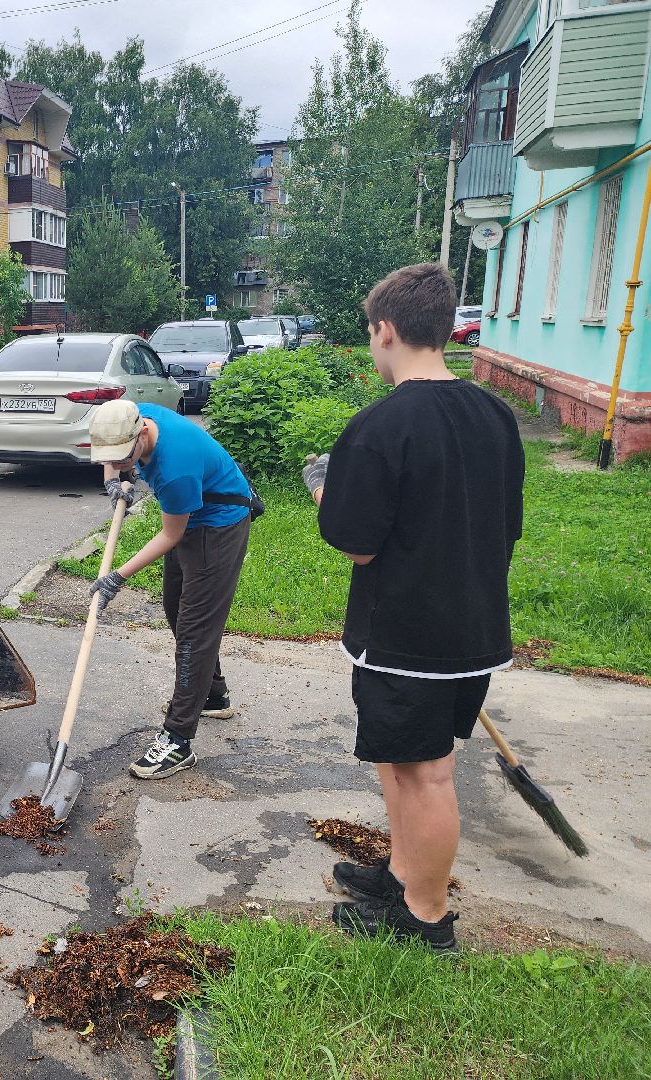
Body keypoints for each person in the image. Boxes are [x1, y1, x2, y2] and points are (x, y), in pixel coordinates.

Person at [306, 262, 524, 951]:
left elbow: (357, 543)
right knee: (404, 762)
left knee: (427, 774)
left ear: (386, 330)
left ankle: (425, 919)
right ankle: (402, 876)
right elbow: (505, 522)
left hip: (407, 634)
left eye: (372, 335)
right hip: (472, 624)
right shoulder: (494, 414)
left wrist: (324, 488)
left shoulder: (383, 424)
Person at [86, 397, 256, 779]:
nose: (120, 460)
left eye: (125, 456)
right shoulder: (132, 415)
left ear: (142, 433)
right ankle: (212, 695)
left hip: (218, 525)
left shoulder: (174, 469)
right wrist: (114, 480)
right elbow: (113, 454)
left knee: (195, 630)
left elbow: (170, 534)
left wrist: (117, 577)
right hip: (193, 518)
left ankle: (178, 739)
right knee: (175, 608)